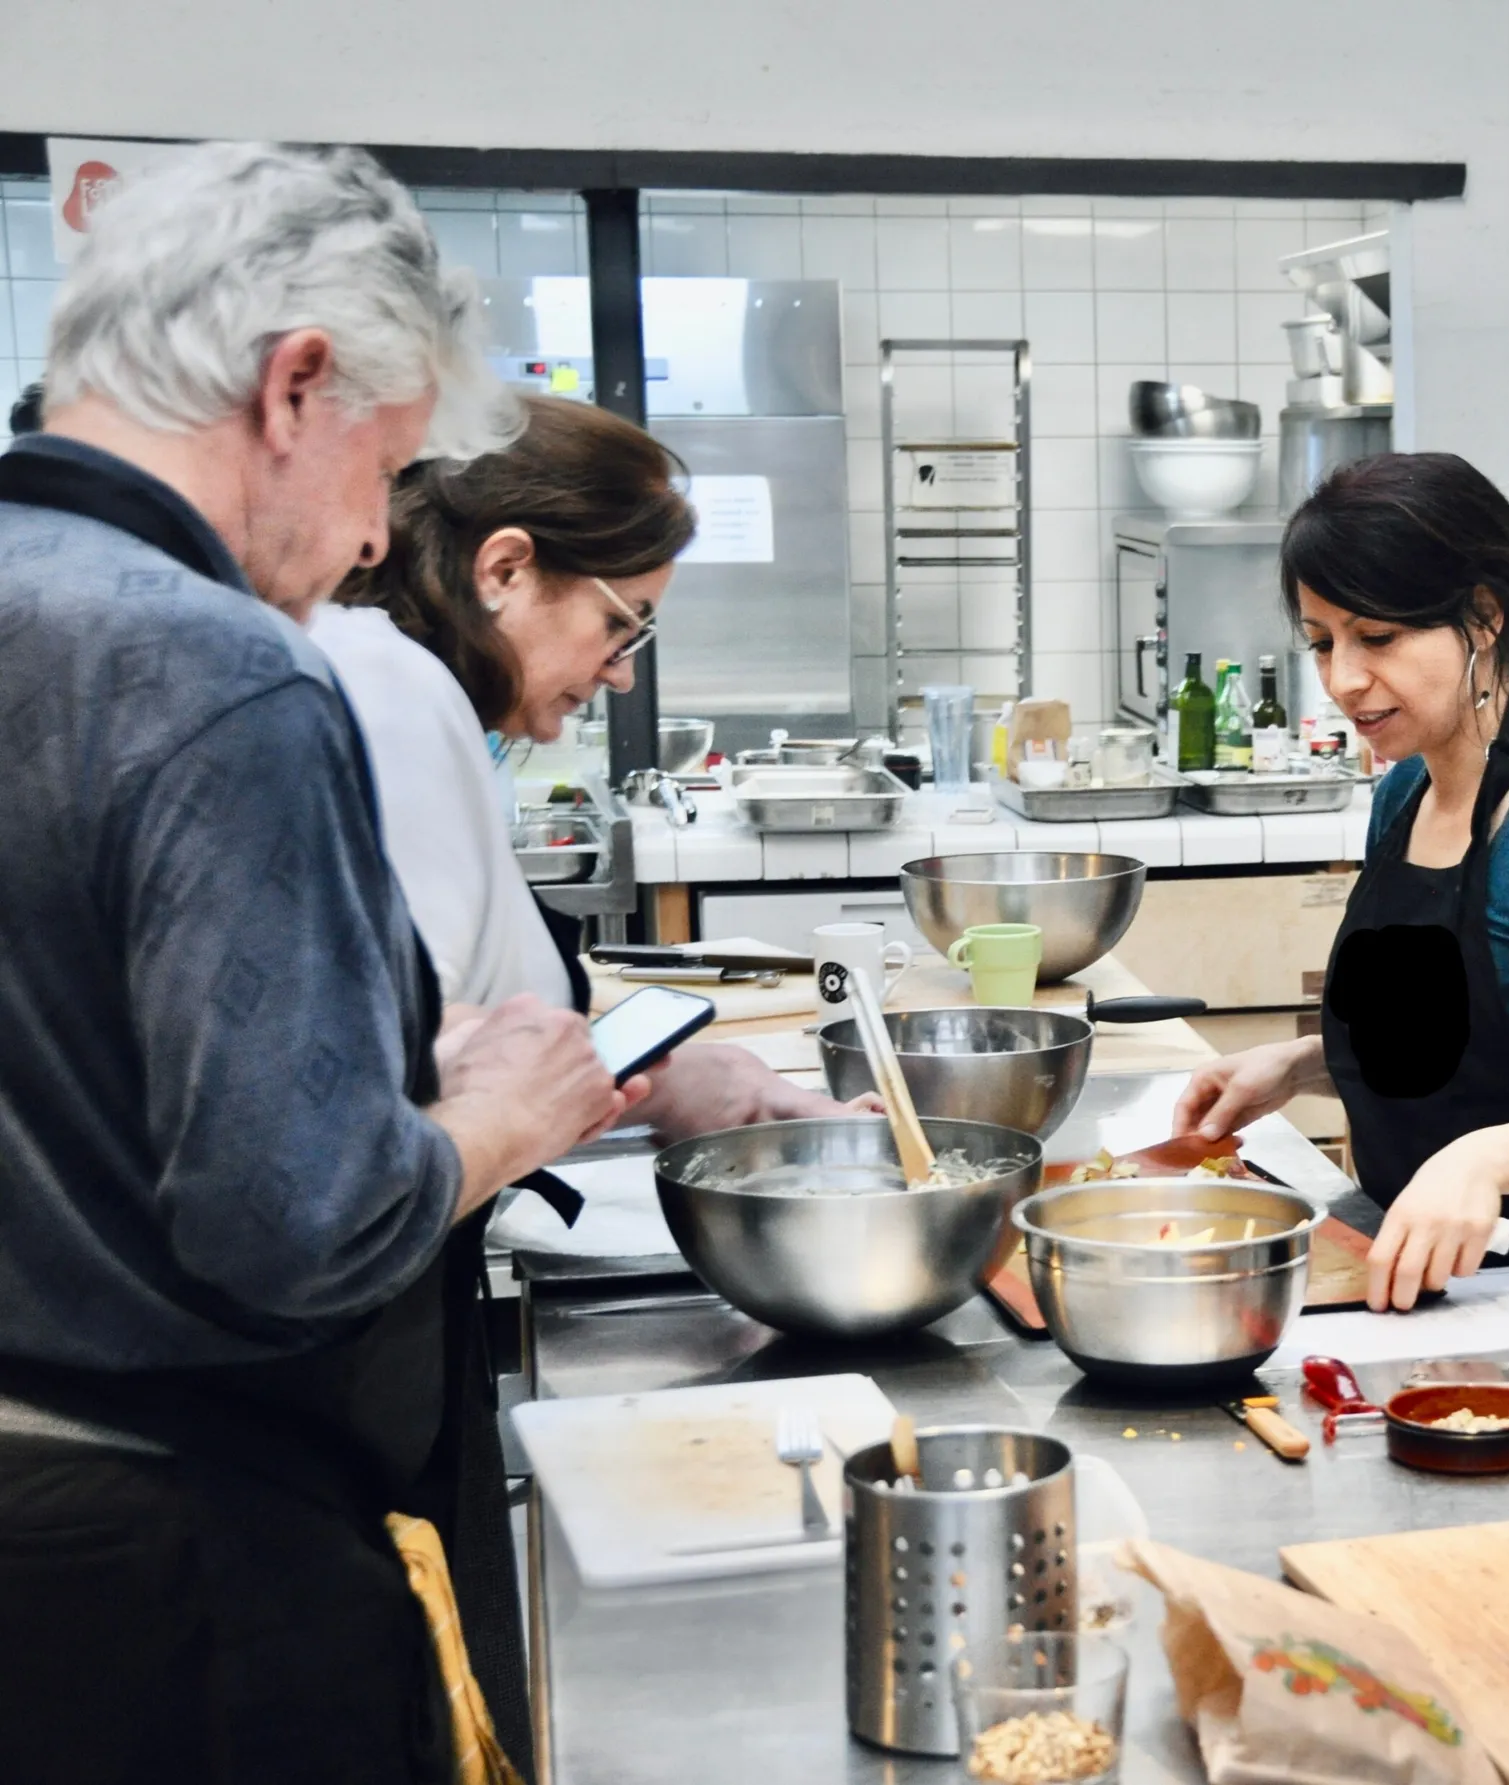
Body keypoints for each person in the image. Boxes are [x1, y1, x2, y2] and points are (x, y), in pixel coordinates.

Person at [0, 141, 643, 1782]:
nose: (373, 543)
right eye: (387, 464)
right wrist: (497, 1114)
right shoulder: (220, 671)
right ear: (294, 387)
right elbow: (291, 1222)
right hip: (172, 1559)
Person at [1172, 453, 1509, 1453]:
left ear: (1480, 617)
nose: (1346, 678)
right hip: (1418, 1306)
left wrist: (1484, 1161)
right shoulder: (1407, 789)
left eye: (1376, 637)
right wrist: (1298, 1064)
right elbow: (1454, 1029)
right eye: (1323, 642)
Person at [313, 394, 876, 1135]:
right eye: (618, 624)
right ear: (504, 569)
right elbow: (401, 1072)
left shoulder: (404, 688)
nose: (621, 676)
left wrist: (735, 1085)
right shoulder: (393, 695)